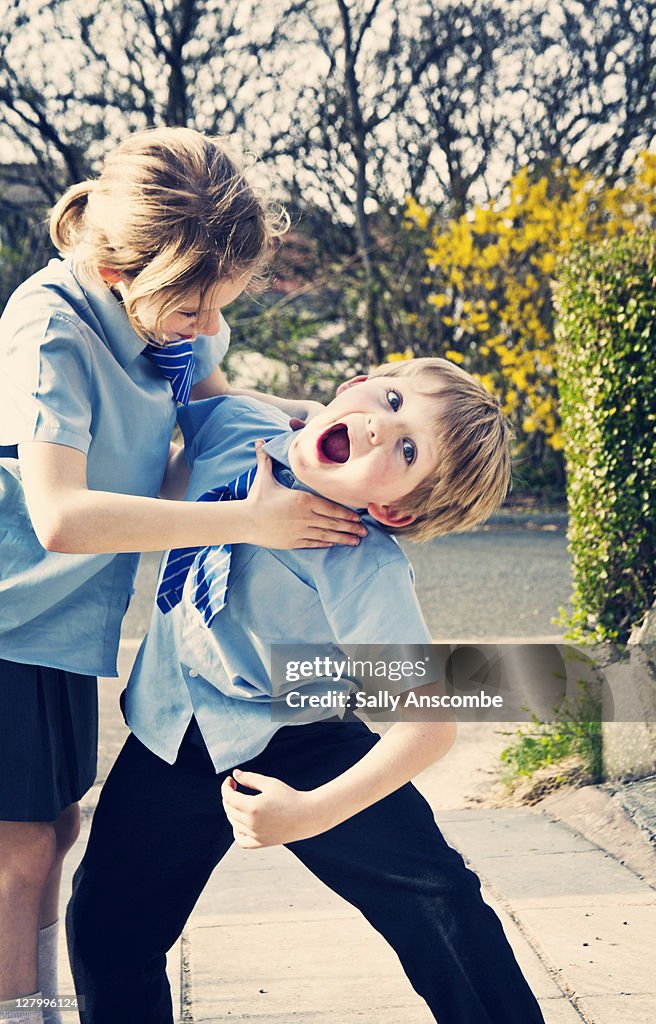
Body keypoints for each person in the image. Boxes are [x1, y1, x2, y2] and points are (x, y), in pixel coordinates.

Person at [0, 126, 365, 1024]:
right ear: (123, 272)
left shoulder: (171, 306)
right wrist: (249, 518)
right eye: (195, 312)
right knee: (21, 849)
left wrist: (324, 419)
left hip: (58, 624)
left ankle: (35, 1001)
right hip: (7, 616)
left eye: (220, 309)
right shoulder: (50, 327)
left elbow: (209, 410)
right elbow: (61, 514)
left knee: (54, 830)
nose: (209, 332)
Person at [67, 357, 546, 1024]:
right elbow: (200, 358)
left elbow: (427, 725)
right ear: (352, 386)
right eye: (389, 397)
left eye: (409, 448)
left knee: (439, 901)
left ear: (393, 510)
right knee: (105, 929)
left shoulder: (358, 557)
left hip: (304, 741)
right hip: (172, 733)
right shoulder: (239, 427)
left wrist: (309, 813)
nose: (382, 427)